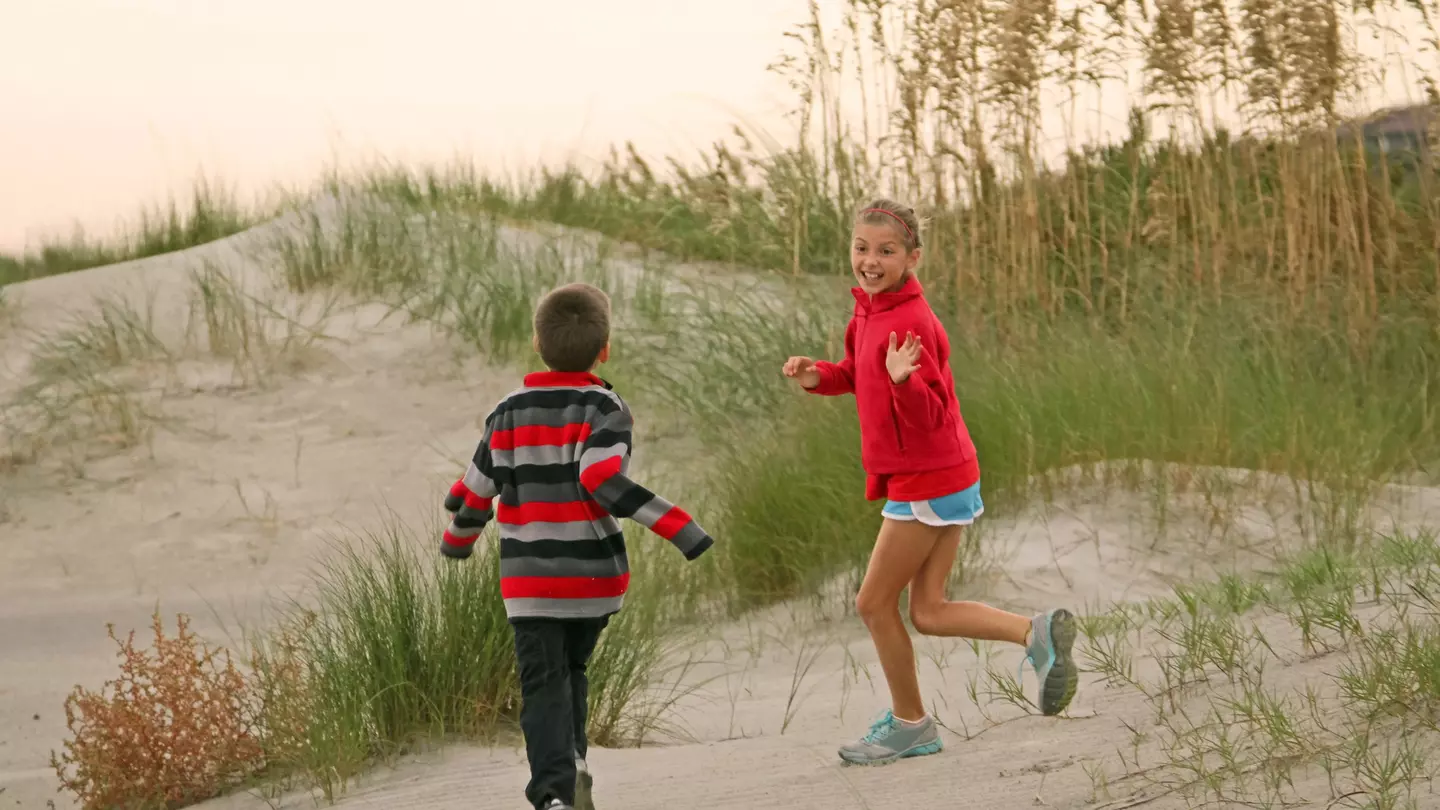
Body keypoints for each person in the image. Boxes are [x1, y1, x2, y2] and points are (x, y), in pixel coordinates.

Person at [781, 198, 1078, 766]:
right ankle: (1034, 633)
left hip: (929, 476)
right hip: (945, 473)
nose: (870, 260)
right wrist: (818, 374)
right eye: (861, 248)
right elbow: (858, 375)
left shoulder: (911, 320)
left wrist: (902, 383)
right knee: (930, 611)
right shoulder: (868, 312)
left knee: (872, 604)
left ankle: (912, 724)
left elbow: (928, 411)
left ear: (913, 257)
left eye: (886, 251)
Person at [440, 282, 716, 810]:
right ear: (605, 347)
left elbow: (479, 487)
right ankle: (577, 758)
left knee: (543, 682)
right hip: (592, 578)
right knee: (573, 669)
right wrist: (681, 528)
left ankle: (553, 793)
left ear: (537, 344)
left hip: (528, 582)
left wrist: (458, 538)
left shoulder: (506, 411)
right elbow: (603, 478)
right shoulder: (606, 406)